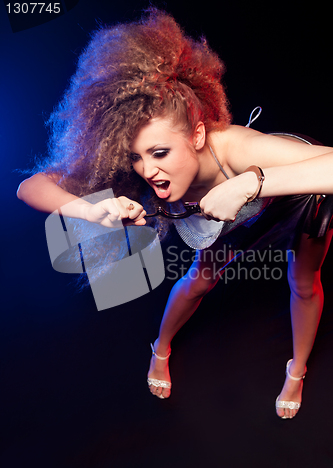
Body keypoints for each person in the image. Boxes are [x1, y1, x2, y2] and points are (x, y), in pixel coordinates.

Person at [17, 9, 333, 419]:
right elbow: (30, 187)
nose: (147, 170)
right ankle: (160, 348)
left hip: (295, 193)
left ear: (197, 136)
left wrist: (248, 184)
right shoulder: (139, 166)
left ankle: (298, 369)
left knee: (303, 283)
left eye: (160, 153)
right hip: (234, 217)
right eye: (137, 157)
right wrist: (92, 211)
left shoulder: (237, 148)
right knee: (199, 280)